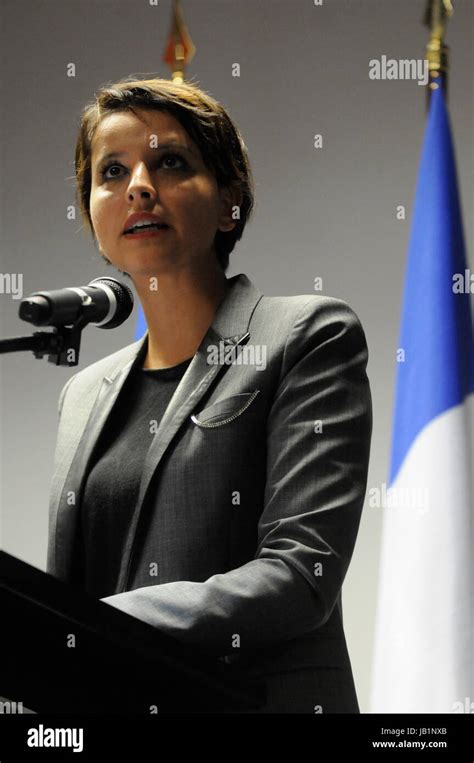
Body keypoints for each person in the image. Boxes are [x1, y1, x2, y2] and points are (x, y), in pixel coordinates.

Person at [47, 76, 373, 714]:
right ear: (92, 215)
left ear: (229, 201)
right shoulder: (82, 395)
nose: (138, 184)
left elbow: (297, 574)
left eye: (169, 162)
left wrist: (91, 630)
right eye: (112, 171)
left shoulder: (306, 334)